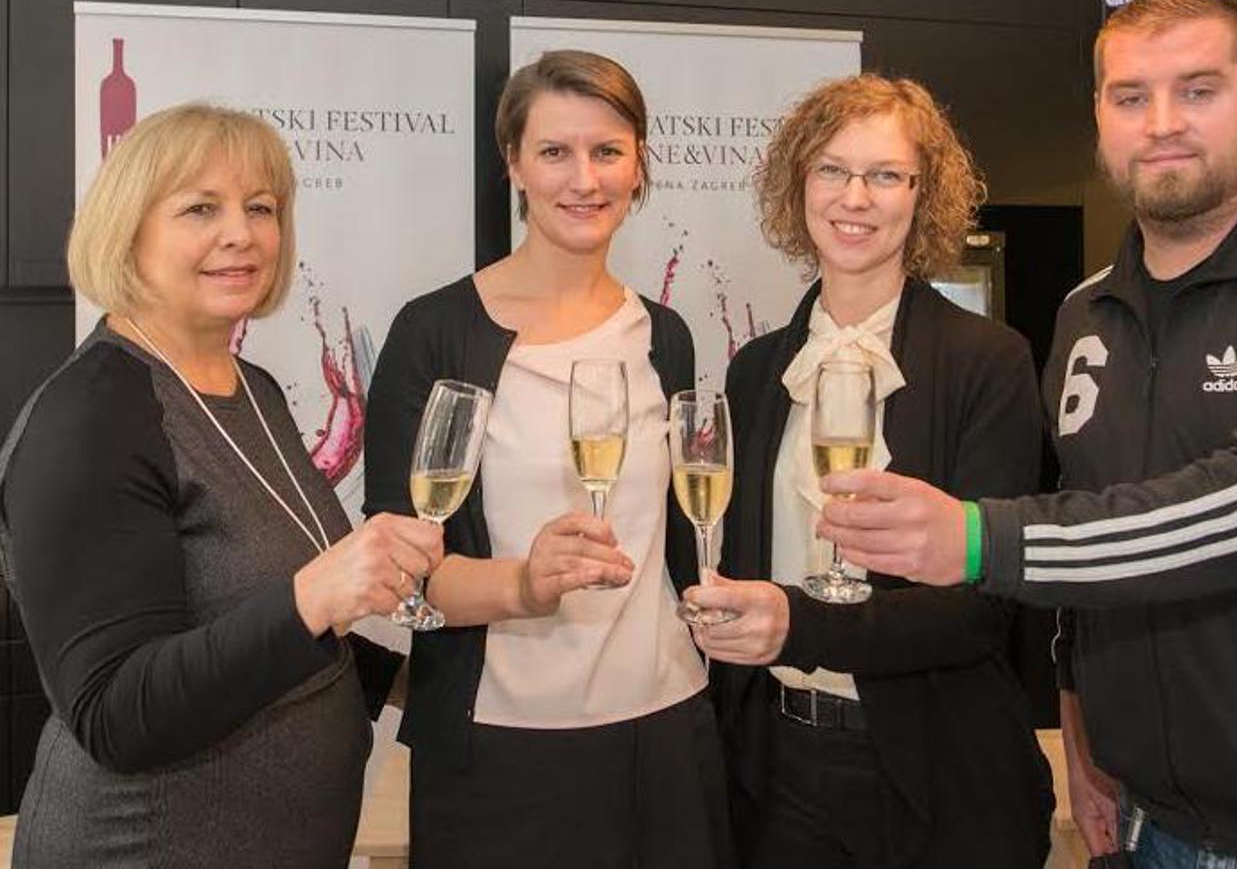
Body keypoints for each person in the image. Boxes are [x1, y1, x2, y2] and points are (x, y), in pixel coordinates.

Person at [816, 0, 1237, 868]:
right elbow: (1090, 514)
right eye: (1131, 97)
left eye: (1197, 90)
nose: (1162, 123)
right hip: (1148, 824)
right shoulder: (1085, 312)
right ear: (1100, 118)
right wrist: (1080, 721)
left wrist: (980, 539)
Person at [0, 103, 443, 867]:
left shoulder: (253, 388)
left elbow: (257, 621)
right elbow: (115, 712)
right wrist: (317, 595)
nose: (241, 233)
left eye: (260, 208)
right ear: (127, 230)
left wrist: (417, 687)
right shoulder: (92, 416)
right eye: (200, 208)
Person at [362, 49, 734, 869]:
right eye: (555, 152)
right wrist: (523, 585)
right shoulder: (433, 332)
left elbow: (681, 548)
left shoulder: (665, 335)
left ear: (638, 165)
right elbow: (399, 569)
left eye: (608, 151)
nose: (584, 179)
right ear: (514, 165)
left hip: (665, 729)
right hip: (499, 748)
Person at [682, 73, 1054, 868]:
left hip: (938, 775)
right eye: (832, 169)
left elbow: (983, 609)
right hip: (773, 773)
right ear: (799, 184)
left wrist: (800, 623)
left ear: (923, 193)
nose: (855, 197)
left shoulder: (988, 361)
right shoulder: (755, 371)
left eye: (885, 174)